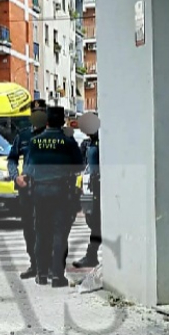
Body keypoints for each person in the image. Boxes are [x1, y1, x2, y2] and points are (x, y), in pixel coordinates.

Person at [21, 106, 82, 287]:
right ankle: (57, 276)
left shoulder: (34, 142)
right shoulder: (68, 141)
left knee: (41, 232)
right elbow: (79, 166)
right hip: (61, 192)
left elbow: (27, 170)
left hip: (39, 192)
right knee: (59, 233)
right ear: (62, 121)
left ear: (46, 122)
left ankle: (41, 274)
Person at [7, 99, 47, 279]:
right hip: (28, 189)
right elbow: (11, 159)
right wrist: (16, 176)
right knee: (29, 229)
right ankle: (34, 264)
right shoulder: (22, 136)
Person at [73, 113, 102, 268]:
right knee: (92, 220)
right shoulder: (89, 143)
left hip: (100, 187)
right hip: (90, 186)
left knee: (96, 222)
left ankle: (91, 255)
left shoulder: (101, 141)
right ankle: (92, 255)